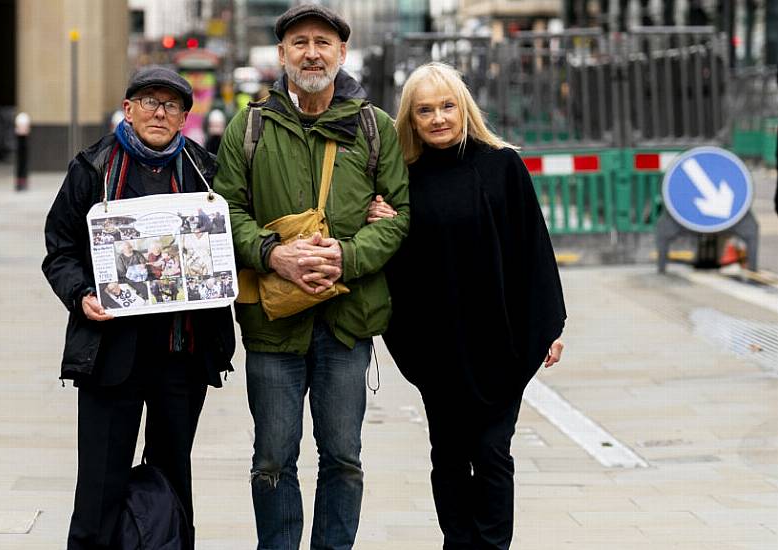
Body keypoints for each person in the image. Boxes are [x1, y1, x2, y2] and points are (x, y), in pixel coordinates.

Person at [212, 4, 410, 549]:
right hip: (273, 324)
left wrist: (344, 257)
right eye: (299, 42)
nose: (312, 52)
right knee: (273, 455)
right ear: (281, 55)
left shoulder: (376, 128)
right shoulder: (249, 127)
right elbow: (224, 212)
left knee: (343, 456)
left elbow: (400, 215)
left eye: (324, 42)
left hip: (347, 322)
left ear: (342, 53)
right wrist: (275, 255)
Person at [366, 62, 566, 549]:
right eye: (425, 110)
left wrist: (551, 324)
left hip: (503, 338)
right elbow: (401, 262)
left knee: (493, 451)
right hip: (439, 344)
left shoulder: (502, 165)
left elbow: (532, 248)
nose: (438, 118)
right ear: (410, 119)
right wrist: (385, 222)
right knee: (450, 454)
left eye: (446, 106)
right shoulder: (402, 178)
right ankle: (458, 542)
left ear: (465, 108)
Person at [42, 65, 236, 550]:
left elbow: (229, 244)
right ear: (128, 109)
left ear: (184, 117)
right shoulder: (92, 168)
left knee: (172, 477)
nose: (159, 111)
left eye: (171, 105)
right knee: (99, 485)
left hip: (182, 353)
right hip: (112, 353)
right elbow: (59, 249)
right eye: (149, 101)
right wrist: (82, 294)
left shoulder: (203, 171)